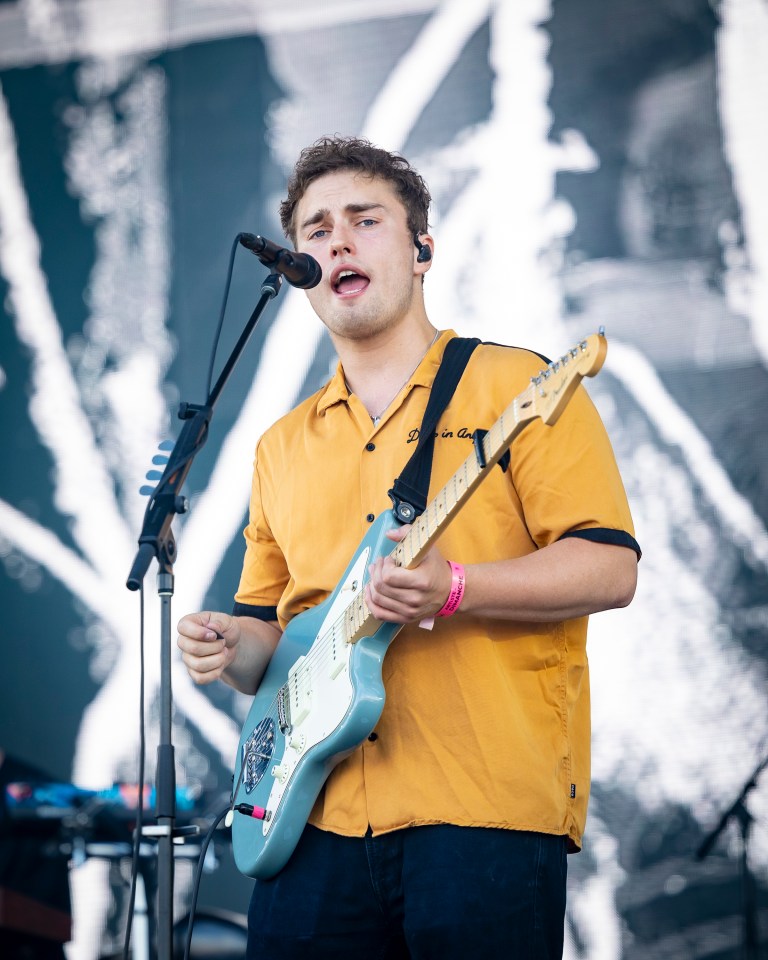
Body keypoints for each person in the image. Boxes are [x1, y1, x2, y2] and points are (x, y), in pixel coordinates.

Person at [177, 135, 640, 959]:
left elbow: (611, 566)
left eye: (364, 219)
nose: (337, 241)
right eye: (316, 230)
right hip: (309, 821)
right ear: (298, 267)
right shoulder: (279, 446)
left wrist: (454, 586)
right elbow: (267, 647)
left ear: (422, 250)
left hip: (481, 811)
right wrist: (226, 644)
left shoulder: (515, 386)